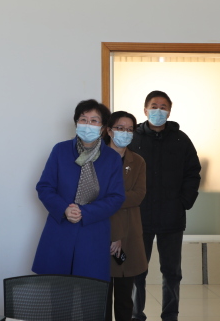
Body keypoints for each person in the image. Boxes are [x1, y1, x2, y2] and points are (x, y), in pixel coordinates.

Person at [32, 99, 126, 282]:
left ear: (102, 127)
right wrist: (64, 209)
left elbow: (116, 197)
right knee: (58, 290)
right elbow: (44, 187)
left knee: (89, 292)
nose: (88, 124)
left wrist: (85, 212)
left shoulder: (112, 158)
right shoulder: (60, 150)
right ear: (76, 123)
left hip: (93, 232)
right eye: (83, 119)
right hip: (60, 230)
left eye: (94, 120)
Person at [129, 90, 201, 321]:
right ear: (145, 109)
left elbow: (193, 172)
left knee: (172, 272)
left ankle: (170, 315)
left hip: (172, 218)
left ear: (169, 111)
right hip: (139, 218)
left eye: (163, 107)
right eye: (154, 106)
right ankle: (136, 314)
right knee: (136, 271)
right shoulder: (133, 138)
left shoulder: (181, 140)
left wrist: (184, 202)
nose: (158, 110)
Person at [103, 111, 148, 321]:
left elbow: (138, 195)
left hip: (129, 233)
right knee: (101, 299)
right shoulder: (96, 158)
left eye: (130, 129)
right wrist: (117, 198)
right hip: (101, 232)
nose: (125, 133)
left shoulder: (138, 161)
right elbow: (93, 197)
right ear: (109, 130)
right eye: (120, 128)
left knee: (124, 299)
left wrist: (110, 198)